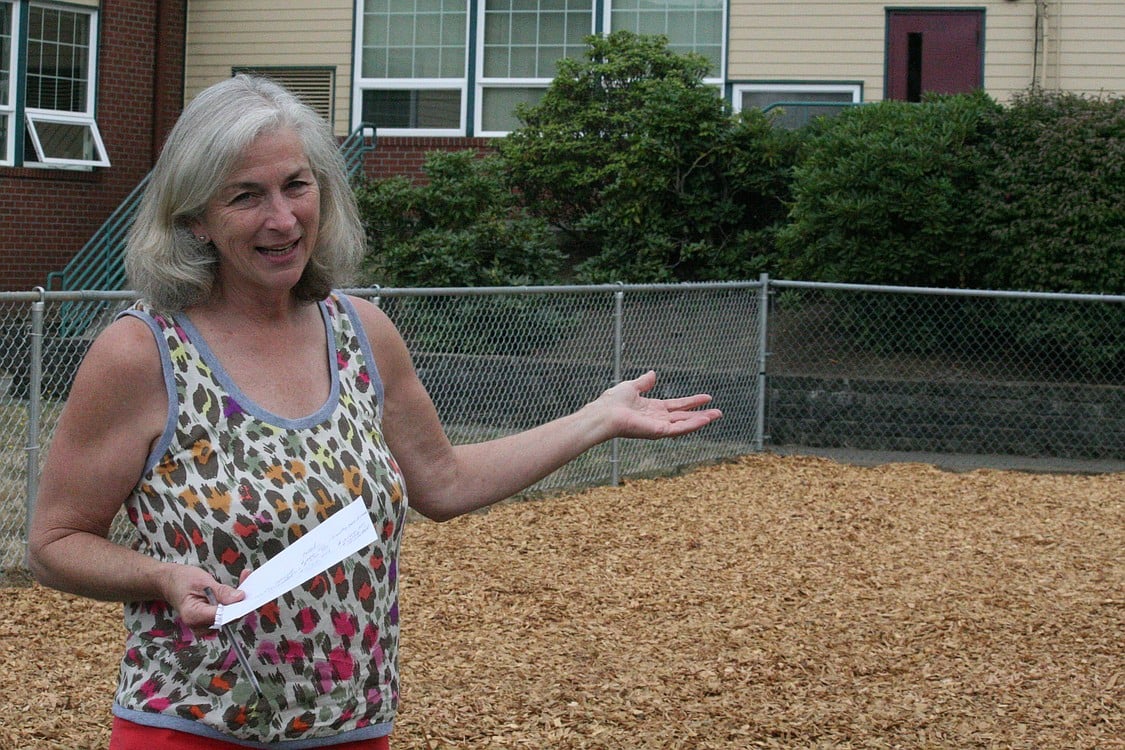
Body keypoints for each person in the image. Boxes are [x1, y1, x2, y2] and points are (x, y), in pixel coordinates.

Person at [27, 74, 722, 749]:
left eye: (296, 186)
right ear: (196, 221)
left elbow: (442, 482)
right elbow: (55, 544)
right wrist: (160, 577)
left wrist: (598, 418)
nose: (282, 217)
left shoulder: (361, 334)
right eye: (246, 196)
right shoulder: (141, 353)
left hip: (353, 727)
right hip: (189, 728)